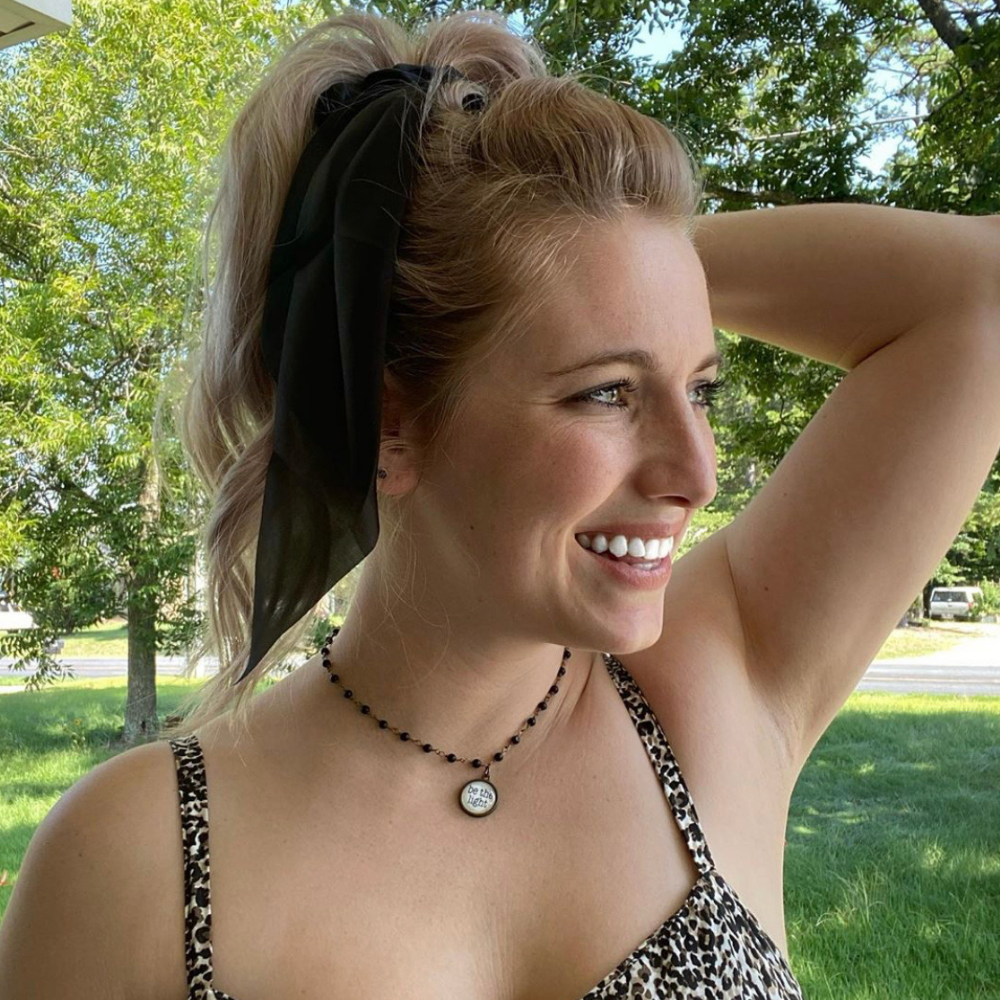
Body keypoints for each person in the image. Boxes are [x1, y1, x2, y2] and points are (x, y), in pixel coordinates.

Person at [3, 7, 998, 1000]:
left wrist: (596, 247)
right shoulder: (134, 863)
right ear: (387, 424)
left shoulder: (723, 684)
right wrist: (441, 270)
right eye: (607, 392)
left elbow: (979, 291)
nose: (696, 474)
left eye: (701, 388)